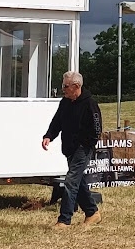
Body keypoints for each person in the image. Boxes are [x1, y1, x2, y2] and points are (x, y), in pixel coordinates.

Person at [41, 70, 103, 229]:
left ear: (76, 86)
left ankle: (64, 220)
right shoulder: (65, 102)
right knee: (78, 181)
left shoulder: (90, 104)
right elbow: (57, 122)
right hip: (69, 148)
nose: (63, 89)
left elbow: (97, 129)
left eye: (65, 86)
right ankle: (92, 212)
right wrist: (49, 136)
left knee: (70, 181)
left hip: (83, 149)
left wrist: (86, 144)